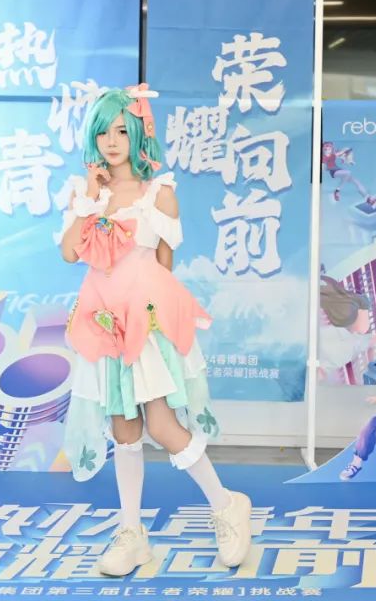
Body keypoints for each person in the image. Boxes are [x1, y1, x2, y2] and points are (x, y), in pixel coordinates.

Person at [59, 84, 253, 577]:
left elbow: (165, 266)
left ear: (139, 133)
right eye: (103, 132)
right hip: (104, 324)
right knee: (123, 430)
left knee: (163, 425)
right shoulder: (86, 192)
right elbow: (69, 252)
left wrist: (155, 323)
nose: (112, 141)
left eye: (122, 131)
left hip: (144, 326)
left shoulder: (158, 193)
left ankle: (227, 504)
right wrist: (90, 198)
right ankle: (132, 534)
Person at [322, 141, 376, 206]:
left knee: (356, 182)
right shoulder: (323, 158)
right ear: (324, 149)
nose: (328, 149)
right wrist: (327, 168)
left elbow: (341, 153)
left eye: (329, 147)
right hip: (334, 172)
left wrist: (348, 151)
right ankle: (337, 190)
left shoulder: (333, 155)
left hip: (340, 170)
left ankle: (368, 199)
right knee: (348, 173)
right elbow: (324, 168)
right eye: (326, 147)